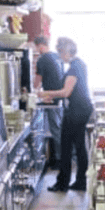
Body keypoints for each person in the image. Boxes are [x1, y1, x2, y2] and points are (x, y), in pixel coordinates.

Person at [38, 37, 94, 192]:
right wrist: (52, 97)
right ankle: (80, 182)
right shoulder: (78, 64)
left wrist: (45, 93)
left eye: (60, 51)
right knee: (79, 146)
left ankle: (62, 184)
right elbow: (70, 91)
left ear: (67, 51)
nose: (59, 54)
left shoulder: (74, 67)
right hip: (82, 108)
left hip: (77, 110)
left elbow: (66, 91)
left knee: (66, 146)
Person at [33, 36, 64, 169]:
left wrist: (33, 89)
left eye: (36, 48)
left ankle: (59, 161)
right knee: (58, 129)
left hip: (51, 99)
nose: (37, 51)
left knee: (56, 131)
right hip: (60, 98)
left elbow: (36, 83)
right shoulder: (57, 56)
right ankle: (58, 158)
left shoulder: (42, 59)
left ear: (40, 46)